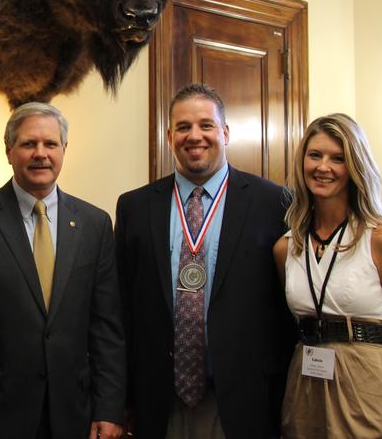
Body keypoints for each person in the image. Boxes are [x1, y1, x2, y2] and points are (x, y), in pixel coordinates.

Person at [114, 83, 295, 439]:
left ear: (225, 132)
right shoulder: (134, 207)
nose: (194, 136)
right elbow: (123, 308)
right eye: (183, 127)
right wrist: (122, 398)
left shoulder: (273, 203)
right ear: (170, 135)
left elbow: (285, 309)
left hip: (244, 398)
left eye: (205, 125)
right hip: (159, 399)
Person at [0, 102, 125, 439]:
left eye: (50, 144)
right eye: (29, 144)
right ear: (9, 151)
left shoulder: (95, 224)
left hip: (75, 412)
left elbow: (106, 326)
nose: (40, 154)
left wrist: (110, 407)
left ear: (64, 149)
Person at [273, 114, 382, 438]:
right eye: (315, 155)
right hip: (306, 382)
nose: (323, 167)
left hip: (368, 383)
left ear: (354, 167)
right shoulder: (286, 247)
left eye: (337, 158)